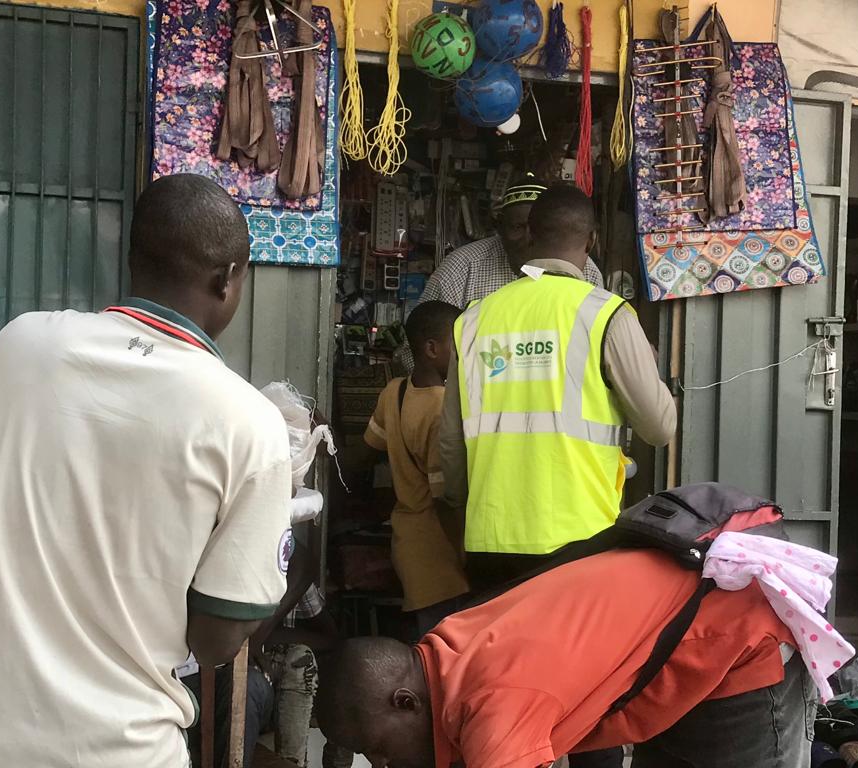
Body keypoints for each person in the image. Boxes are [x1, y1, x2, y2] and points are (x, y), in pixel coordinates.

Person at [0, 174, 293, 768]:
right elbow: (216, 642)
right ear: (228, 279)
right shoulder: (249, 423)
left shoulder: (22, 345)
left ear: (133, 260)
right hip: (119, 749)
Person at [316, 548, 816, 768]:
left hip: (738, 640)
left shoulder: (495, 704)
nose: (381, 764)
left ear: (406, 702)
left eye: (376, 749)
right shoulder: (450, 645)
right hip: (678, 648)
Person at [441, 184, 677, 593]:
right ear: (592, 240)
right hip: (581, 536)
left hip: (490, 537)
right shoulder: (606, 315)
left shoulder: (474, 320)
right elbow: (659, 428)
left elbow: (450, 441)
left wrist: (465, 508)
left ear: (530, 235)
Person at [187, 523, 344, 768]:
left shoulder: (286, 576)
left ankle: (293, 762)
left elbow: (330, 638)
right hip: (192, 678)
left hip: (253, 687)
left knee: (276, 671)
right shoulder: (203, 568)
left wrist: (265, 636)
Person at [363, 302, 470, 638]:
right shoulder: (443, 409)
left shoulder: (394, 391)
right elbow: (444, 498)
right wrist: (464, 553)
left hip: (407, 543)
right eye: (457, 344)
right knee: (445, 647)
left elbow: (368, 451)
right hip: (440, 552)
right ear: (431, 348)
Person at [420, 176, 604, 308]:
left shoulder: (586, 272)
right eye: (517, 227)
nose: (529, 238)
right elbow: (424, 339)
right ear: (499, 227)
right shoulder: (461, 269)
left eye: (538, 229)